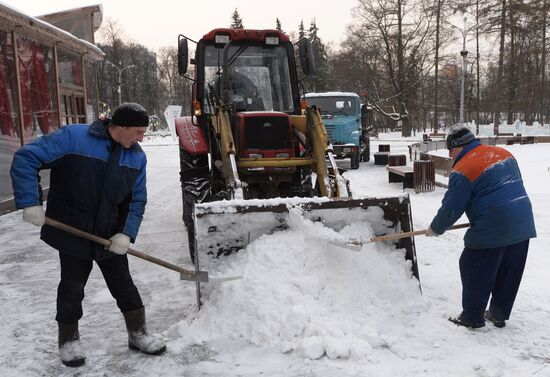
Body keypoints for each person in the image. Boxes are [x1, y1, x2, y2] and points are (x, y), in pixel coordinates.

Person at [10, 102, 166, 367]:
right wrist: (30, 201)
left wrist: (125, 234)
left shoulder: (136, 157)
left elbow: (136, 201)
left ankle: (138, 334)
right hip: (72, 230)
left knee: (124, 286)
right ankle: (69, 341)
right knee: (72, 287)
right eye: (138, 131)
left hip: (109, 235)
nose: (142, 138)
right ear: (122, 126)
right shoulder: (73, 138)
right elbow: (26, 158)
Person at [426, 124, 536, 329]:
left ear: (459, 145)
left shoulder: (464, 168)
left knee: (472, 264)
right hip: (522, 222)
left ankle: (472, 316)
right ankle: (498, 313)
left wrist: (435, 228)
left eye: (450, 149)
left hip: (493, 223)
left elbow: (452, 208)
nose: (449, 154)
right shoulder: (504, 153)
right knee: (508, 268)